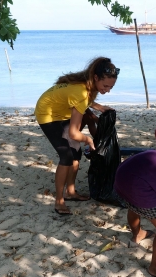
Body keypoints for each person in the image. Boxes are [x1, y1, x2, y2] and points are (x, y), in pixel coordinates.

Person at [34, 57, 117, 215]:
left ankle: (70, 192)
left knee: (76, 153)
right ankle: (59, 201)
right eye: (105, 86)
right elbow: (74, 132)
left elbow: (83, 101)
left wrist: (98, 107)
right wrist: (88, 139)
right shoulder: (81, 91)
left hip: (61, 110)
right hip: (47, 113)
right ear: (96, 78)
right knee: (66, 156)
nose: (107, 90)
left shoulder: (88, 85)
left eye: (111, 87)